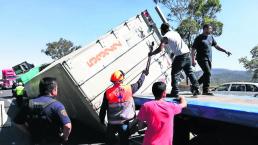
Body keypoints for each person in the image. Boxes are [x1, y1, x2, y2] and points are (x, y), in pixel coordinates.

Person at [14, 77, 72, 145]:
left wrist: (29, 132)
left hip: (36, 141)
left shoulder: (28, 104)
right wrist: (65, 137)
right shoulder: (57, 105)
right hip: (53, 141)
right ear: (53, 91)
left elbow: (18, 122)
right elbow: (67, 126)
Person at [149, 23, 200, 97]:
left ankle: (175, 92)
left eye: (161, 31)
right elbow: (177, 43)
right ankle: (196, 88)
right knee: (189, 72)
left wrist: (152, 53)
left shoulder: (165, 36)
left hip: (181, 56)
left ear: (163, 30)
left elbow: (160, 48)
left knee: (175, 73)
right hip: (187, 54)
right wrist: (173, 53)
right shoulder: (175, 33)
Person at [99, 70, 147, 145]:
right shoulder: (129, 89)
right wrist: (143, 75)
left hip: (112, 123)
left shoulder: (107, 93)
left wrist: (101, 119)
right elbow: (139, 83)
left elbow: (103, 108)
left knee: (110, 141)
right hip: (124, 122)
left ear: (112, 81)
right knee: (124, 141)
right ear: (122, 79)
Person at [192, 24, 232, 95]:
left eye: (211, 29)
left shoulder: (211, 37)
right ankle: (204, 90)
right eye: (209, 29)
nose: (210, 30)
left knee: (207, 74)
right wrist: (193, 60)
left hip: (209, 58)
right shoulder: (199, 38)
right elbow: (193, 49)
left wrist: (225, 51)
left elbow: (216, 46)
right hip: (201, 58)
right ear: (204, 29)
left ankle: (200, 88)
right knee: (208, 73)